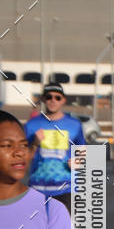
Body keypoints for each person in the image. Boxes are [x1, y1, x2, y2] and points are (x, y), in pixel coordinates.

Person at [25, 82, 86, 213]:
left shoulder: (74, 125)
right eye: (49, 97)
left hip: (65, 188)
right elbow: (24, 160)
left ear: (63, 100)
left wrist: (77, 162)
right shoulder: (31, 125)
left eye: (57, 97)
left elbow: (82, 151)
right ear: (43, 99)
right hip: (37, 188)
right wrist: (35, 143)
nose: (53, 100)